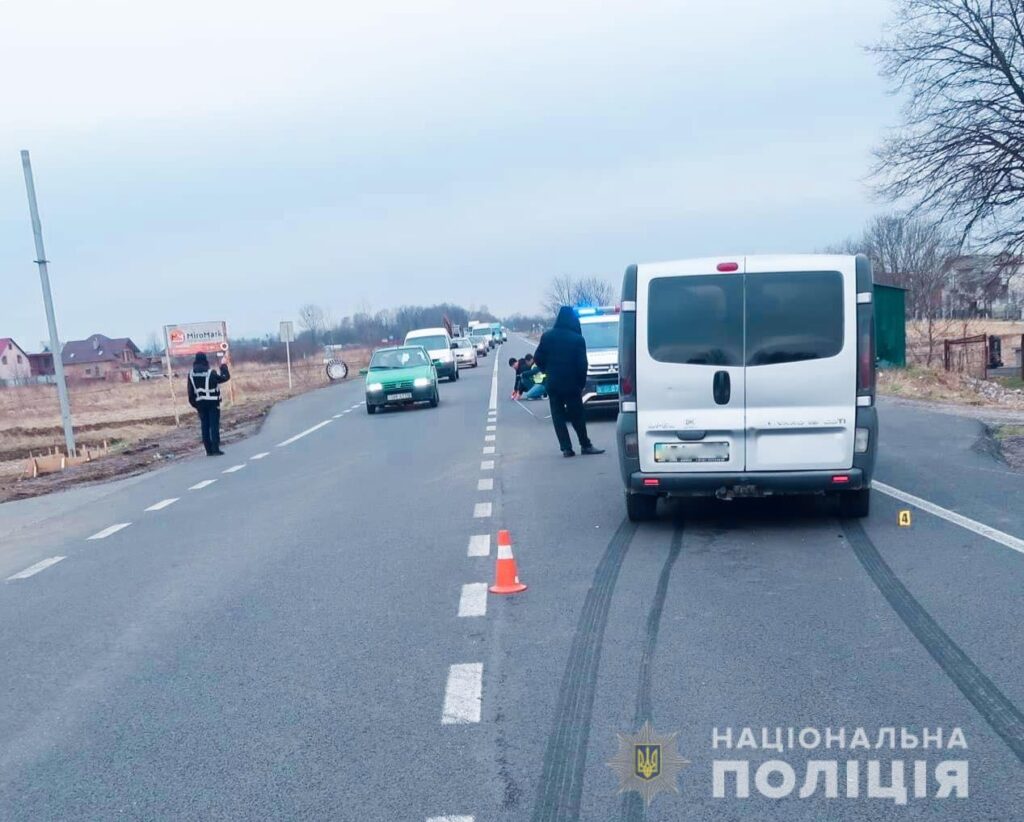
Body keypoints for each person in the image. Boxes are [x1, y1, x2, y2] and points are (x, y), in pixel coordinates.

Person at [533, 306, 604, 457]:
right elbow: (582, 364)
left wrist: (547, 370)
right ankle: (585, 444)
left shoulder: (547, 336)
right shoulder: (577, 339)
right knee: (577, 415)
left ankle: (566, 448)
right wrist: (581, 383)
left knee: (558, 416)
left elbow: (538, 358)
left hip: (553, 383)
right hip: (572, 384)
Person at [186, 352, 230, 456]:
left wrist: (195, 405)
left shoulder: (191, 374)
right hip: (213, 403)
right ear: (205, 360)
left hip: (200, 404)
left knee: (204, 426)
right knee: (214, 425)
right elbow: (225, 377)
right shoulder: (211, 373)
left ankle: (208, 450)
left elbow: (190, 392)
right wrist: (223, 365)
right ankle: (215, 448)